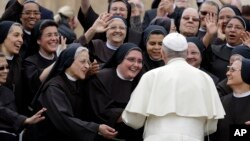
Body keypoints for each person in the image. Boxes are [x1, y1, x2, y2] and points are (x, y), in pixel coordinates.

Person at [122, 33, 225, 141]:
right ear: (185, 53)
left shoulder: (151, 76)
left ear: (162, 53)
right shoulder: (205, 78)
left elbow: (133, 120)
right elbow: (212, 126)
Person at [30, 43, 118, 141]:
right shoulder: (53, 88)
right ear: (69, 62)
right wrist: (96, 128)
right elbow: (64, 120)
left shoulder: (79, 83)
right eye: (82, 62)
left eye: (88, 62)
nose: (87, 66)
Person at [84, 43, 144, 141]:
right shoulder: (99, 78)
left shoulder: (143, 81)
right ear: (120, 59)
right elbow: (100, 111)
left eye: (140, 61)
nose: (136, 65)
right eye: (131, 59)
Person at [0, 52, 46, 141]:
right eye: (1, 68)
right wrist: (25, 120)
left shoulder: (7, 91)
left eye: (7, 67)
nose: (6, 71)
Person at [212, 58, 250, 141]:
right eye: (229, 69)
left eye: (232, 70)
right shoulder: (222, 102)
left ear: (246, 72)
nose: (227, 73)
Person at [0, 21, 24, 113]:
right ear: (3, 36)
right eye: (16, 35)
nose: (21, 40)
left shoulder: (20, 61)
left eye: (22, 36)